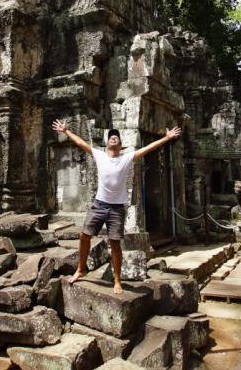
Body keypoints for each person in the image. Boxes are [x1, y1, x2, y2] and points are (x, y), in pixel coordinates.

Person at [52, 119, 181, 294]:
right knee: (84, 235)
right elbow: (81, 143)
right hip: (99, 205)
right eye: (111, 137)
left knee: (115, 244)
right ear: (107, 144)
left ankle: (117, 280)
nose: (113, 138)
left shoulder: (127, 158)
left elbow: (148, 149)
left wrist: (166, 138)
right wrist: (66, 131)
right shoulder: (100, 155)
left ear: (120, 144)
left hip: (117, 208)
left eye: (116, 137)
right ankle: (81, 269)